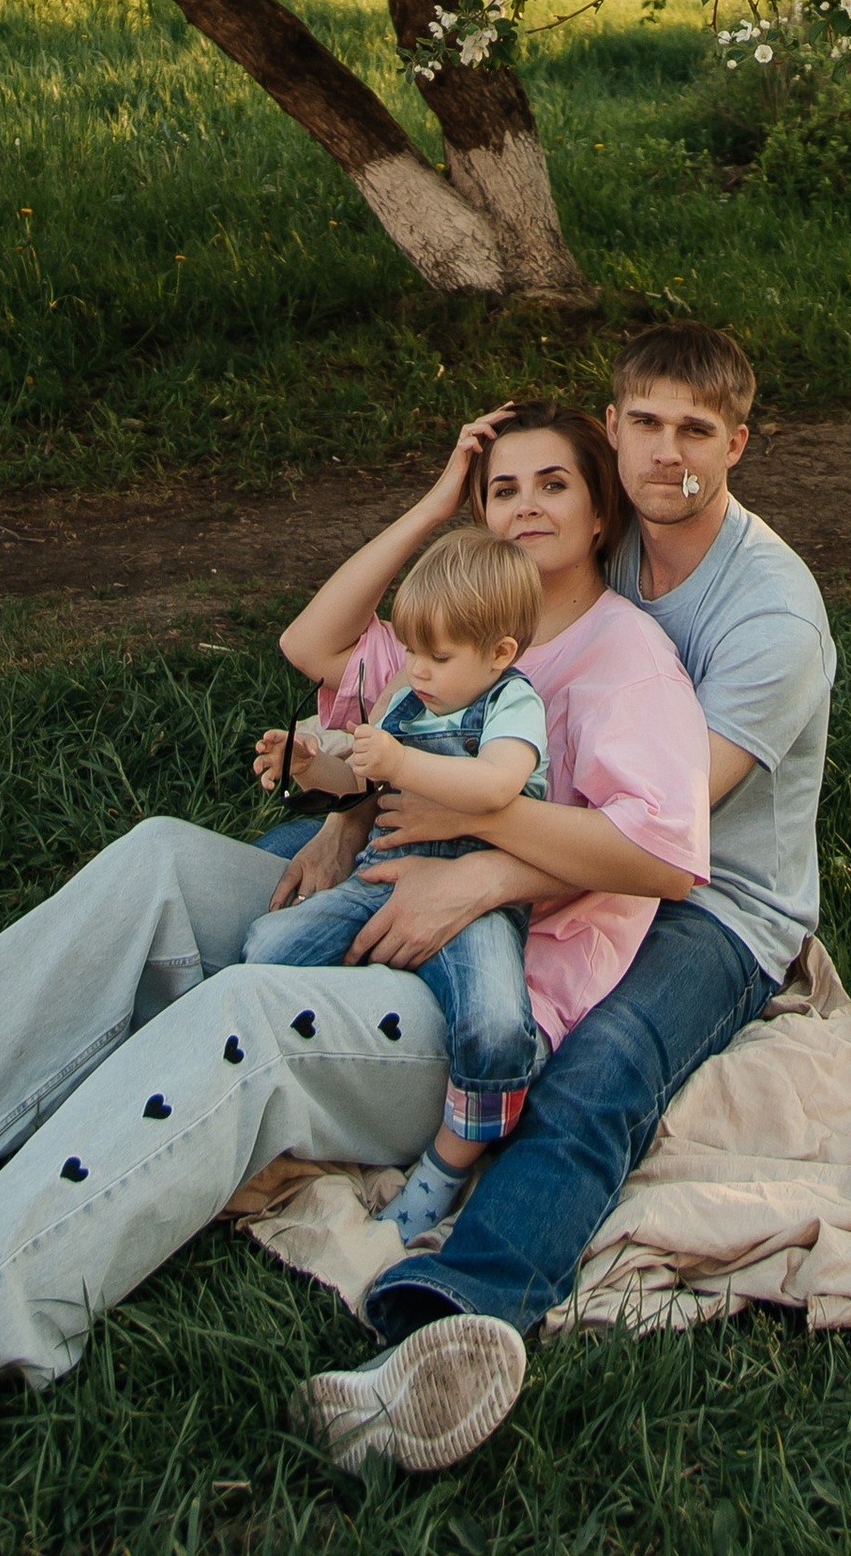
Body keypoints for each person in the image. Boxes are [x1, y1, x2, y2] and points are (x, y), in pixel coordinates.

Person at [0, 401, 706, 1470]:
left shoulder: (624, 659)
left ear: (599, 516)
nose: (527, 507)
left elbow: (663, 854)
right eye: (504, 488)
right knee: (162, 858)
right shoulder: (444, 625)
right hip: (366, 908)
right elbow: (314, 656)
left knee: (239, 1017)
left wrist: (484, 854)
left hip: (473, 1012)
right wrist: (346, 782)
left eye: (555, 486)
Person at [289, 320, 835, 1474]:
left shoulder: (769, 615)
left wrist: (478, 864)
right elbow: (407, 673)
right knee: (303, 895)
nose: (665, 451)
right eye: (643, 423)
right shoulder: (605, 543)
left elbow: (664, 843)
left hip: (710, 898)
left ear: (739, 443)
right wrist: (353, 813)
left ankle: (449, 1324)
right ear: (616, 433)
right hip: (540, 820)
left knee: (599, 1069)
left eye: (696, 430)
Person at [242, 523, 551, 1242]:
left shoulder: (513, 706)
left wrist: (404, 765)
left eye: (437, 656)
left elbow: (499, 784)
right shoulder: (407, 698)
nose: (416, 669)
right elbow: (354, 779)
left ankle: (446, 1167)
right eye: (410, 649)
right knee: (266, 947)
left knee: (499, 1025)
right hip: (382, 874)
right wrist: (310, 766)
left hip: (471, 901)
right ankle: (324, 1065)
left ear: (499, 653)